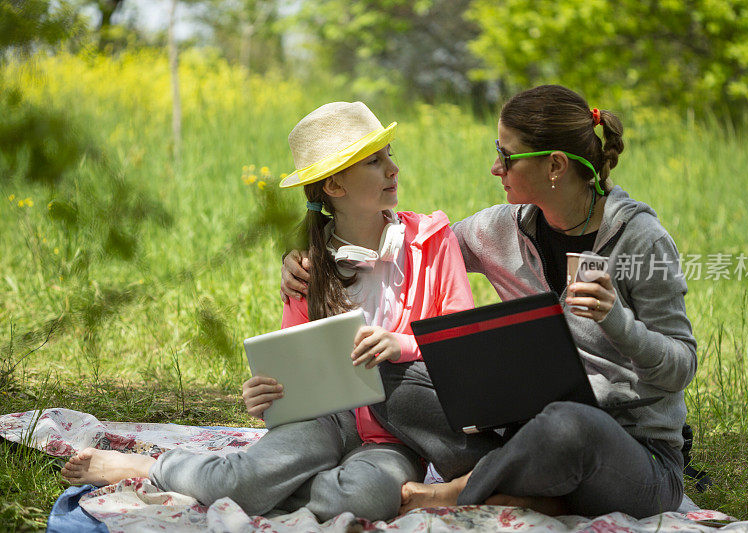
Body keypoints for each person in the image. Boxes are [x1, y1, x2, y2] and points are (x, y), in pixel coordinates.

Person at [280, 85, 697, 518]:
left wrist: (617, 321)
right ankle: (526, 488)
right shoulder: (498, 230)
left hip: (629, 452)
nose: (495, 167)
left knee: (569, 425)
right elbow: (411, 246)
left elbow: (681, 365)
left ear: (554, 165)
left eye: (508, 156)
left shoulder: (641, 241)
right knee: (389, 378)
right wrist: (310, 259)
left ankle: (462, 489)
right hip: (522, 431)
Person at [61, 101, 482, 521]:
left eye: (390, 155)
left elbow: (463, 343)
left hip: (394, 436)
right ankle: (153, 467)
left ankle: (232, 482)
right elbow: (294, 364)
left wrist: (401, 345)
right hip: (323, 420)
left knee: (365, 501)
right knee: (248, 480)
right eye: (374, 161)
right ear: (334, 186)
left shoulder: (433, 240)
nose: (393, 169)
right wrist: (265, 394)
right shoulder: (306, 269)